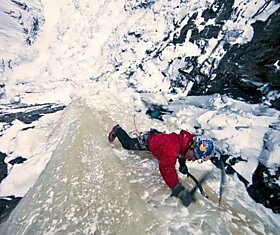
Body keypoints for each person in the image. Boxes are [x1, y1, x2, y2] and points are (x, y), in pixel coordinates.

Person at [108, 124, 214, 207]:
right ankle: (118, 130)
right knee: (128, 144)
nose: (194, 159)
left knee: (167, 153)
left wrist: (182, 164)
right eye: (195, 156)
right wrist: (178, 190)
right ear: (192, 147)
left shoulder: (187, 142)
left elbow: (182, 151)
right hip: (148, 141)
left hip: (160, 139)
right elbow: (166, 168)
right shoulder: (171, 148)